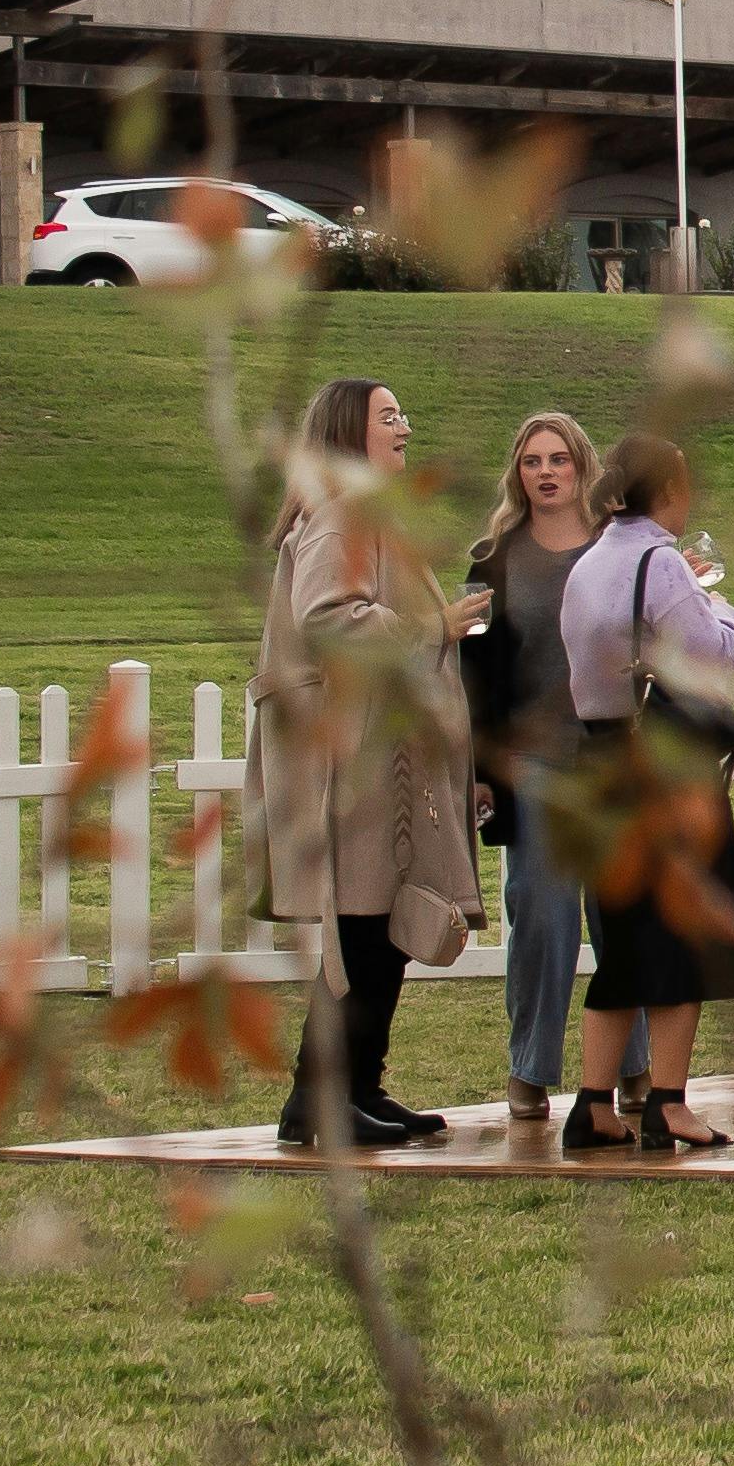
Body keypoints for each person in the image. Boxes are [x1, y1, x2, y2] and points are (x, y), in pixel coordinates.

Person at [253, 378, 481, 1149]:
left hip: (382, 753)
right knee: (357, 925)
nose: (405, 428)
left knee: (382, 922)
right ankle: (327, 1097)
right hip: (351, 756)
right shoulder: (340, 517)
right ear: (354, 432)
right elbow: (328, 619)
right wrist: (431, 624)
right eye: (390, 417)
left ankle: (348, 1091)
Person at [559, 434, 734, 1152]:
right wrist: (721, 606)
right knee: (684, 934)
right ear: (669, 487)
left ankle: (592, 1102)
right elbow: (710, 653)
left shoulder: (587, 564)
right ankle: (669, 1101)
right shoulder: (661, 561)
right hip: (664, 770)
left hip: (602, 756)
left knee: (622, 939)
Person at [458, 410, 645, 1124]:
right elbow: (474, 673)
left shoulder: (619, 549)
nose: (545, 472)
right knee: (540, 913)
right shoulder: (494, 559)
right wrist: (478, 765)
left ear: (581, 468)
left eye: (558, 459)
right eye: (532, 460)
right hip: (530, 762)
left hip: (610, 755)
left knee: (620, 912)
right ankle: (530, 1069)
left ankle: (631, 1068)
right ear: (519, 474)